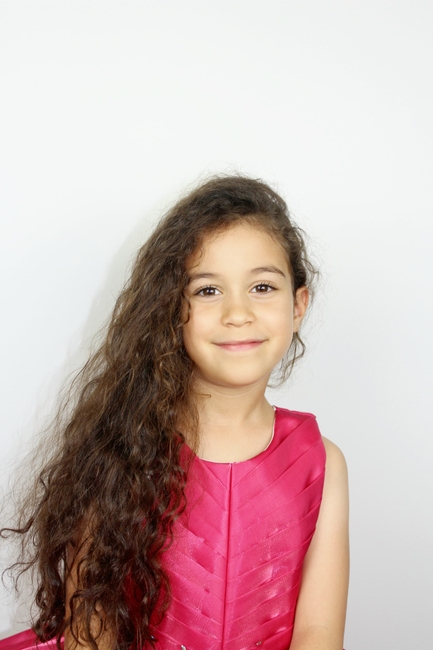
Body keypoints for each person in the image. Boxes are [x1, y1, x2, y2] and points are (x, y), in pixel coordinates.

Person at [1, 176, 349, 650]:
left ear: (298, 305)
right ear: (171, 308)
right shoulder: (122, 451)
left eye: (262, 286)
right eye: (208, 291)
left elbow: (319, 633)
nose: (237, 313)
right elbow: (92, 631)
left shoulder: (323, 465)